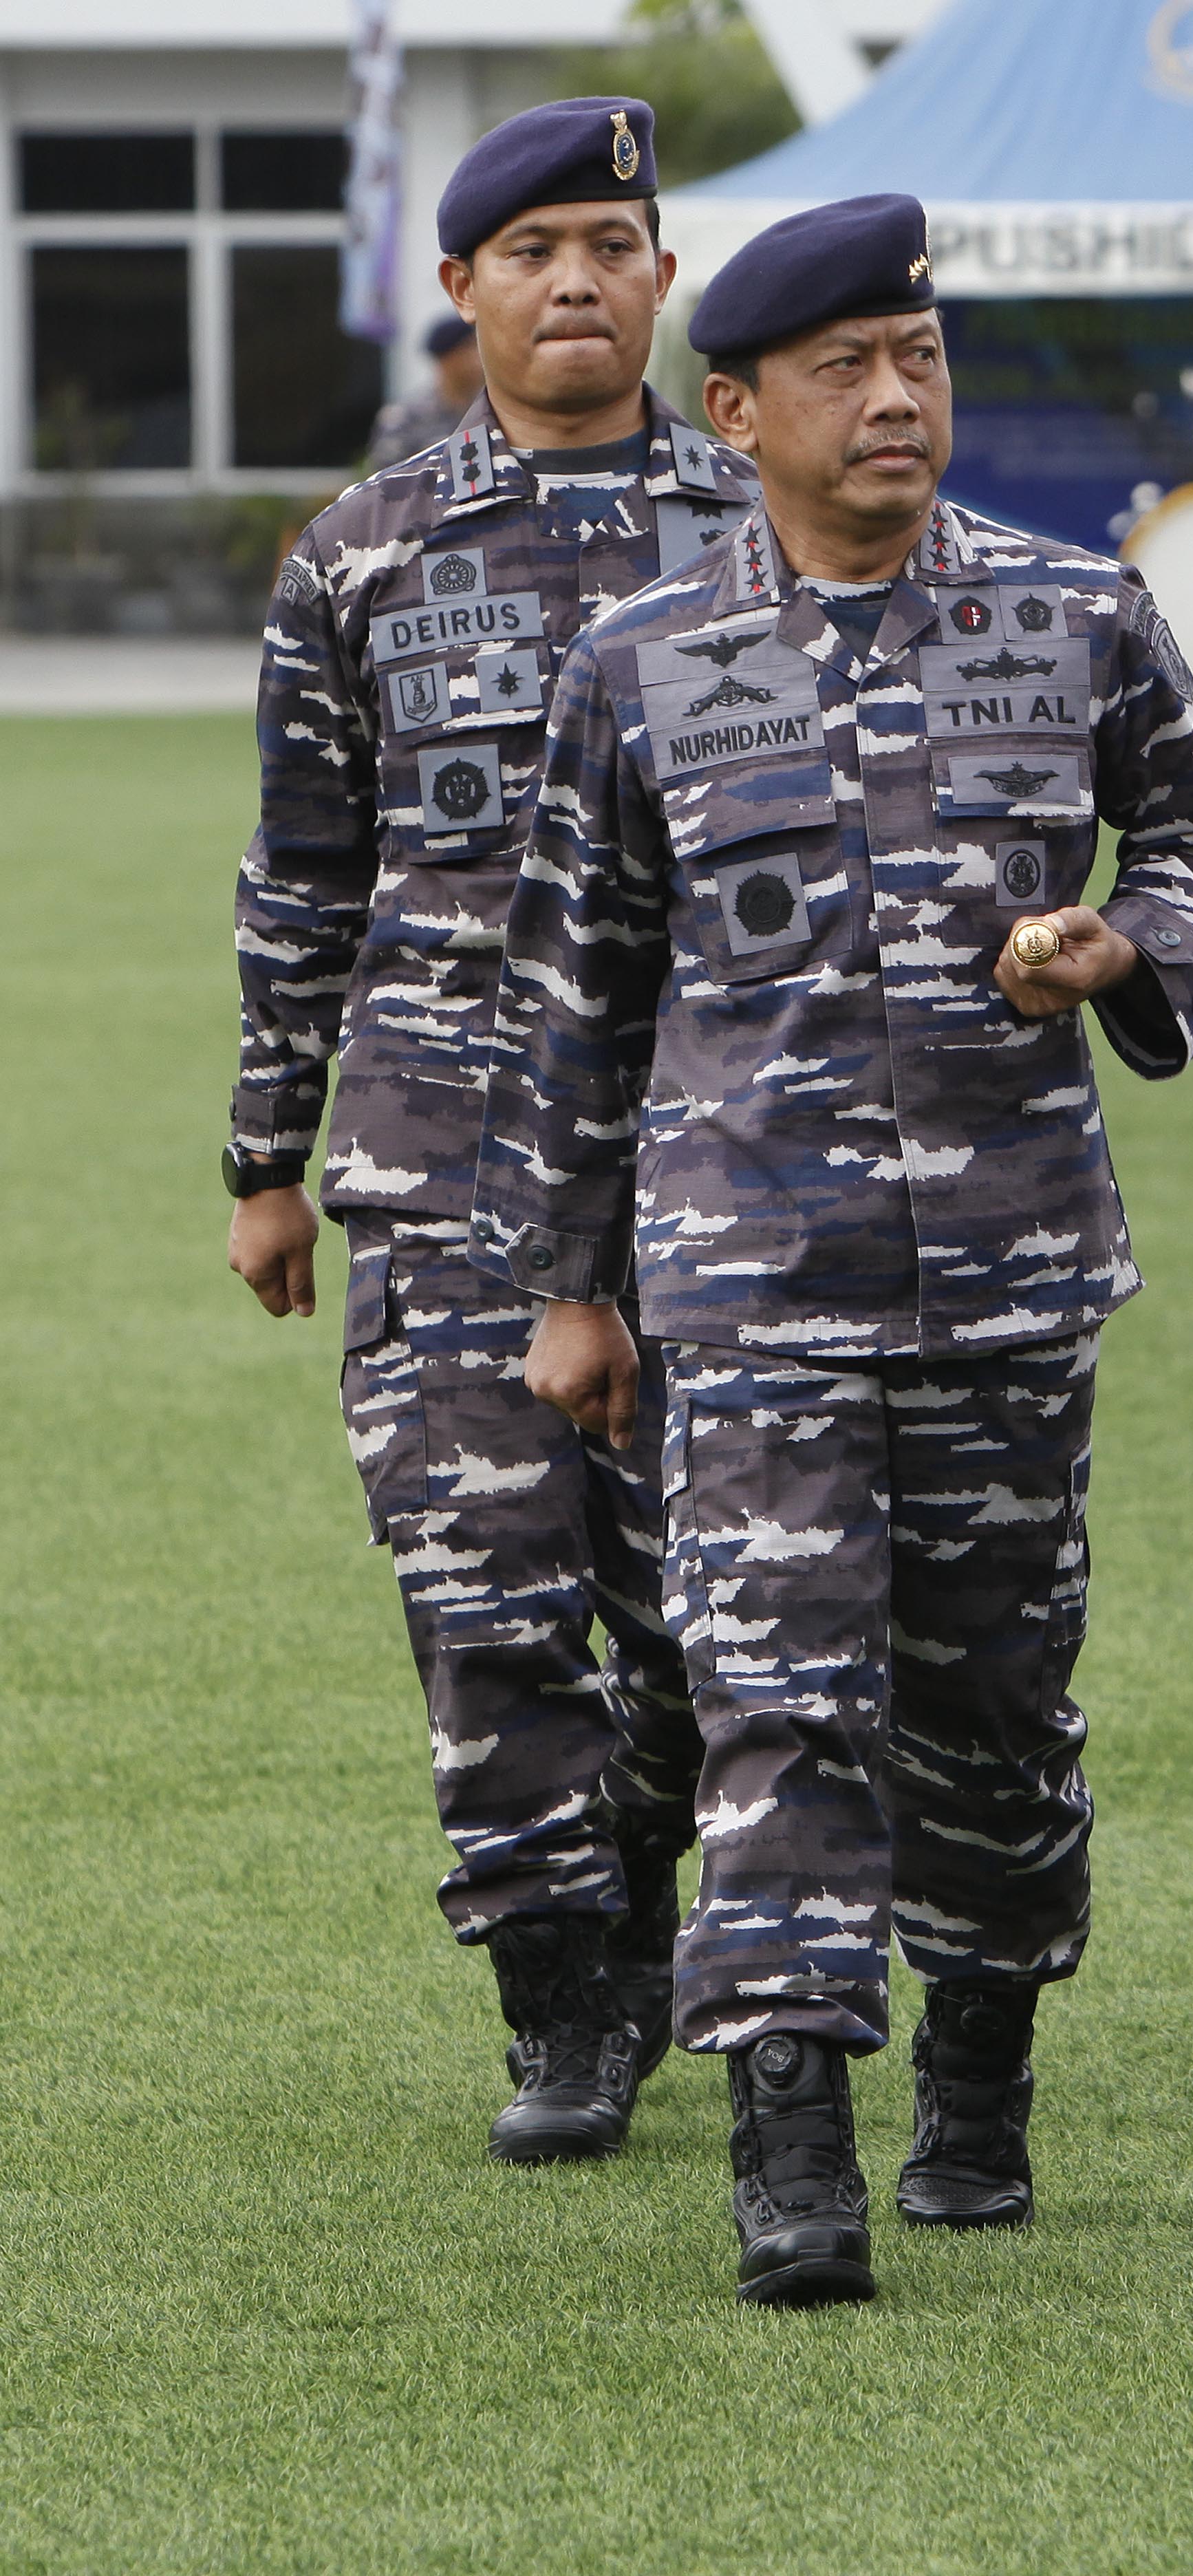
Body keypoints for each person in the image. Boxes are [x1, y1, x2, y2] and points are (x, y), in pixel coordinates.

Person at [475, 191, 1193, 2306]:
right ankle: (791, 2140)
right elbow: (577, 991)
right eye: (844, 369)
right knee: (775, 1696)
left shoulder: (1073, 611)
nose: (896, 397)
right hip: (750, 1282)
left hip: (1012, 1272)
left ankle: (981, 2075)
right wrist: (564, 1289)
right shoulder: (641, 661)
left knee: (994, 1713)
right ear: (739, 412)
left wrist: (1130, 949)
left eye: (918, 359)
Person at [225, 95, 735, 2167]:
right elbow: (303, 872)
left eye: (611, 244)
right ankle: (562, 1992)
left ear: (664, 276)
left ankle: (655, 1910)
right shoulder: (360, 553)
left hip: (715, 1152)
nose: (576, 281)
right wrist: (266, 1157)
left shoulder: (764, 523)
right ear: (463, 288)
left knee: (706, 1606)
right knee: (485, 1589)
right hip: (444, 1155)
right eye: (533, 251)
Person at [366, 312, 483, 468]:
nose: (479, 357)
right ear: (446, 358)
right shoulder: (405, 416)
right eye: (470, 348)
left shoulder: (489, 409)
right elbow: (386, 473)